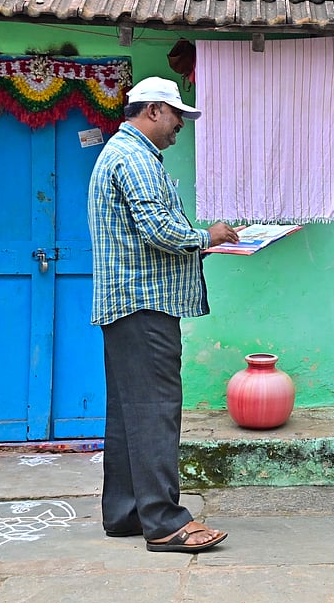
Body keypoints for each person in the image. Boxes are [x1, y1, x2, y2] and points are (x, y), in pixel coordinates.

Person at [88, 76, 239, 553]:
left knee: (129, 413)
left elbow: (149, 232)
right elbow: (159, 230)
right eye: (176, 115)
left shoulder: (124, 153)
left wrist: (199, 243)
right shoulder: (134, 158)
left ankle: (127, 512)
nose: (180, 126)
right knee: (155, 412)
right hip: (144, 303)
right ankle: (165, 522)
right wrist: (208, 236)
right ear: (153, 110)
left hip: (128, 304)